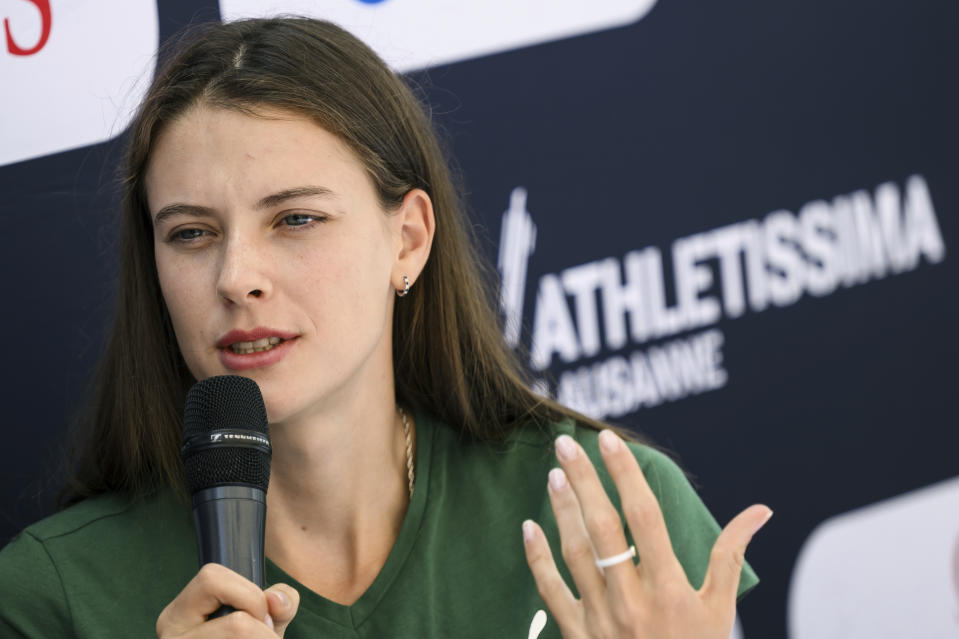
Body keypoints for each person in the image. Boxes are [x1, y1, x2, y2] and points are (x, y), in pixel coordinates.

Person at [0, 17, 769, 638]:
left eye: (295, 218)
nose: (236, 277)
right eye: (192, 233)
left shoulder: (609, 514)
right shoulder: (53, 598)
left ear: (406, 240)